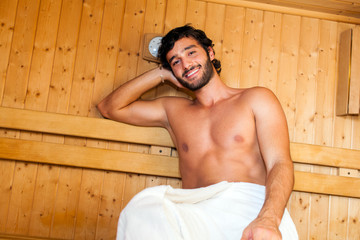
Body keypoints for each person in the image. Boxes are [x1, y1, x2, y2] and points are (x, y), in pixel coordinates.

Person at [97, 25, 298, 240]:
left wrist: (268, 218)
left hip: (248, 208)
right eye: (175, 61)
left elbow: (279, 163)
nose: (186, 64)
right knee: (143, 209)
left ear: (210, 53)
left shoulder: (255, 99)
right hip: (195, 214)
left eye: (191, 53)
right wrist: (160, 74)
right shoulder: (173, 111)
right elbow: (110, 107)